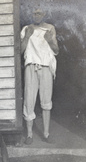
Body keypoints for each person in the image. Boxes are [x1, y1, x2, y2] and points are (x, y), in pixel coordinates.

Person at [21, 8, 59, 145]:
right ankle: (30, 134)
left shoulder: (50, 28)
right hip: (31, 66)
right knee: (29, 99)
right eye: (34, 13)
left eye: (39, 13)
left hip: (45, 67)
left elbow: (56, 50)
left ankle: (46, 133)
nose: (36, 15)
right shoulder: (27, 28)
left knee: (46, 100)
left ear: (44, 14)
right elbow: (20, 50)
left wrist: (49, 40)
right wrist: (26, 37)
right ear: (30, 14)